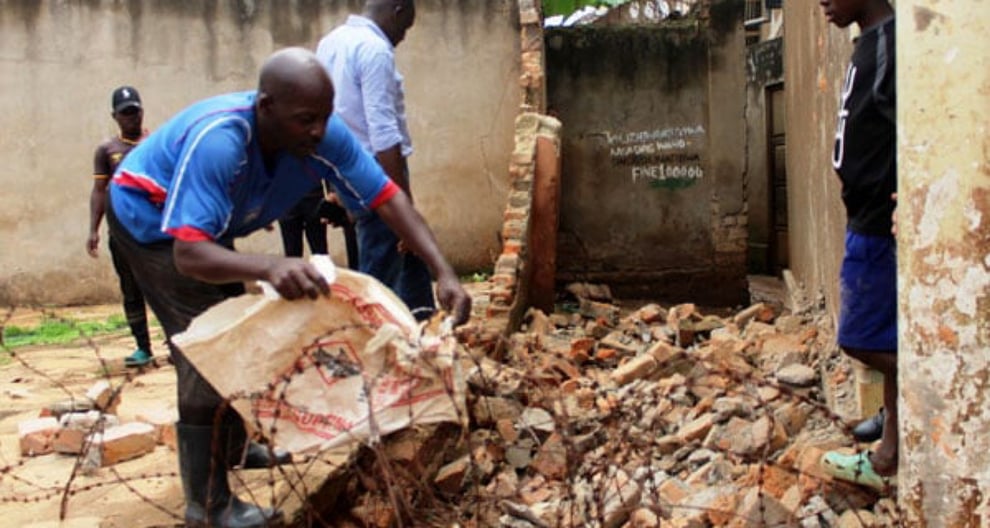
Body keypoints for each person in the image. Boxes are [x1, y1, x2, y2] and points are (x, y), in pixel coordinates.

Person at [107, 47, 471, 527]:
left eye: (323, 117)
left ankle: (235, 448)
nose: (318, 130)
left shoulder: (323, 136)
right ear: (265, 108)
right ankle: (208, 505)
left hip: (206, 230)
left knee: (237, 327)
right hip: (149, 221)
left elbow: (388, 198)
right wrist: (269, 267)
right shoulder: (222, 142)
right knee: (204, 343)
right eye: (306, 120)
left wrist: (442, 269)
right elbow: (188, 254)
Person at [816, 0, 897, 491]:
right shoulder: (869, 43)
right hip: (862, 217)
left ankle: (890, 456)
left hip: (879, 225)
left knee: (864, 338)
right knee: (883, 332)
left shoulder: (894, 45)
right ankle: (893, 421)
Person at [316, 0, 438, 321]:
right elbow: (383, 133)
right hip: (377, 169)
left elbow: (324, 119)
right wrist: (402, 206)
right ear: (398, 11)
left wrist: (333, 185)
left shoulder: (330, 42)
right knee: (384, 259)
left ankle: (424, 329)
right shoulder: (375, 51)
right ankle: (369, 338)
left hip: (344, 167)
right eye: (405, 26)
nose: (403, 36)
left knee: (407, 256)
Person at [87, 86, 155, 368]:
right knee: (131, 289)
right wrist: (94, 229)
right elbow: (99, 190)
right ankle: (143, 346)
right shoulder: (107, 150)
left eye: (135, 112)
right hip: (123, 233)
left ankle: (178, 342)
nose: (132, 118)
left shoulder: (156, 142)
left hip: (155, 231)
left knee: (165, 288)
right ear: (115, 116)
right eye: (126, 113)